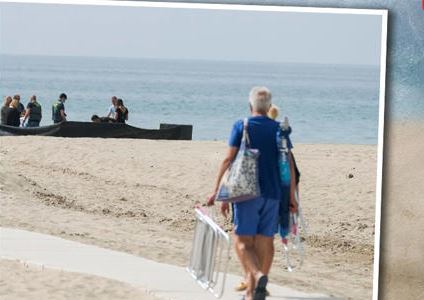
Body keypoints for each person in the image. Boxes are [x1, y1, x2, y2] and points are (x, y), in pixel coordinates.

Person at [207, 87, 297, 300]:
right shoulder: (279, 130)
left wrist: (217, 190)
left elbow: (229, 160)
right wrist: (291, 197)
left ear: (251, 106)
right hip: (273, 193)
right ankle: (254, 292)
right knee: (266, 242)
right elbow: (290, 165)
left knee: (242, 241)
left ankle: (255, 276)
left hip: (246, 192)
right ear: (269, 107)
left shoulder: (242, 125)